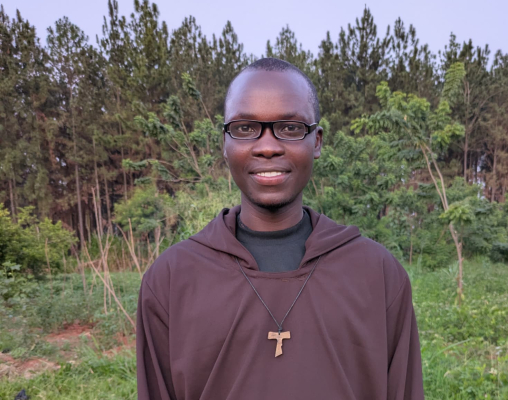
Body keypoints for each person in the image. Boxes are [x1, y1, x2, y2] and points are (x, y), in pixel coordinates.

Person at [136, 58, 424, 400]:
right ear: (224, 143)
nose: (268, 146)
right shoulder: (171, 279)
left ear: (317, 142)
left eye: (290, 127)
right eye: (245, 128)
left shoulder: (377, 273)